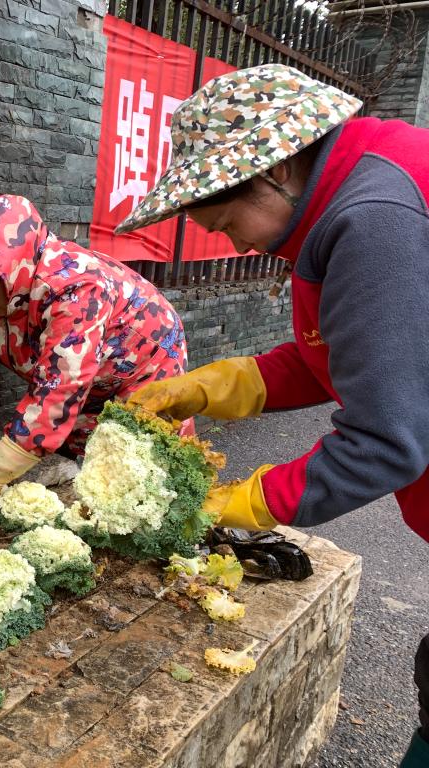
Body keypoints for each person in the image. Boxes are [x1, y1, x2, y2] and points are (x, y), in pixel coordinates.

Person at [117, 63, 429, 767]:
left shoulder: (374, 220)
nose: (234, 244)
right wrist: (210, 387)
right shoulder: (355, 189)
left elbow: (385, 439)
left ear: (278, 165)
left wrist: (243, 502)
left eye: (227, 222)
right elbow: (341, 356)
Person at [0, 193, 189, 522]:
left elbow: (58, 390)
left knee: (140, 477)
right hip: (80, 385)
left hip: (143, 368)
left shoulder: (75, 289)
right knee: (77, 475)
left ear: (15, 270)